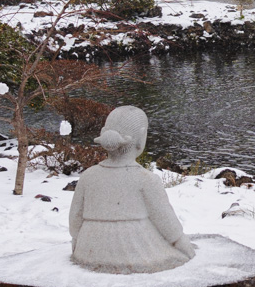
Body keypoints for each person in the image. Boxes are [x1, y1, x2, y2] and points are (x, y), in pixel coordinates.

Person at [68, 106, 196, 273]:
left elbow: (75, 219)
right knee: (170, 257)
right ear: (141, 138)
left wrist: (77, 242)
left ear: (104, 133)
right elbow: (165, 220)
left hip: (90, 248)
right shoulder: (146, 179)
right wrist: (182, 244)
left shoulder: (88, 176)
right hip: (132, 248)